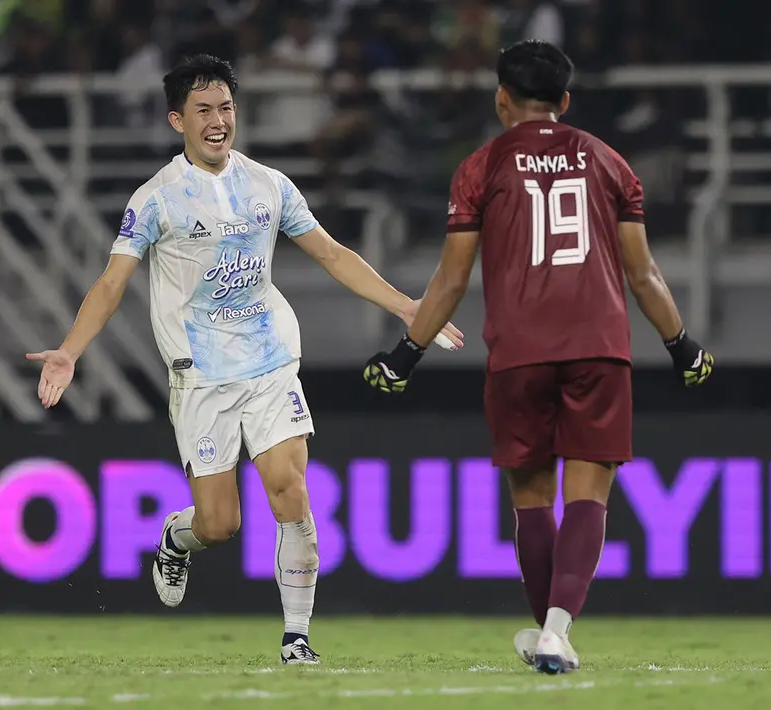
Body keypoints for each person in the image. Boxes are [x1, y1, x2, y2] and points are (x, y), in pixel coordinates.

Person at [26, 54, 463, 665]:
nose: (217, 120)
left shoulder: (269, 185)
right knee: (220, 525)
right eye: (203, 110)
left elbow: (333, 254)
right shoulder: (156, 199)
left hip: (269, 360)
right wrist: (70, 351)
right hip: (200, 374)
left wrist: (404, 308)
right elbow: (110, 283)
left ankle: (297, 637)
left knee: (290, 492)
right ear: (178, 119)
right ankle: (177, 540)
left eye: (226, 107)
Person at [361, 40, 713, 674]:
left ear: (502, 99)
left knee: (530, 499)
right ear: (566, 102)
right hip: (599, 349)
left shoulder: (480, 168)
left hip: (519, 355)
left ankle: (547, 629)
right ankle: (558, 629)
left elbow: (450, 281)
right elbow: (645, 274)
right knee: (589, 496)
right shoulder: (609, 162)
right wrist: (681, 344)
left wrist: (405, 355)